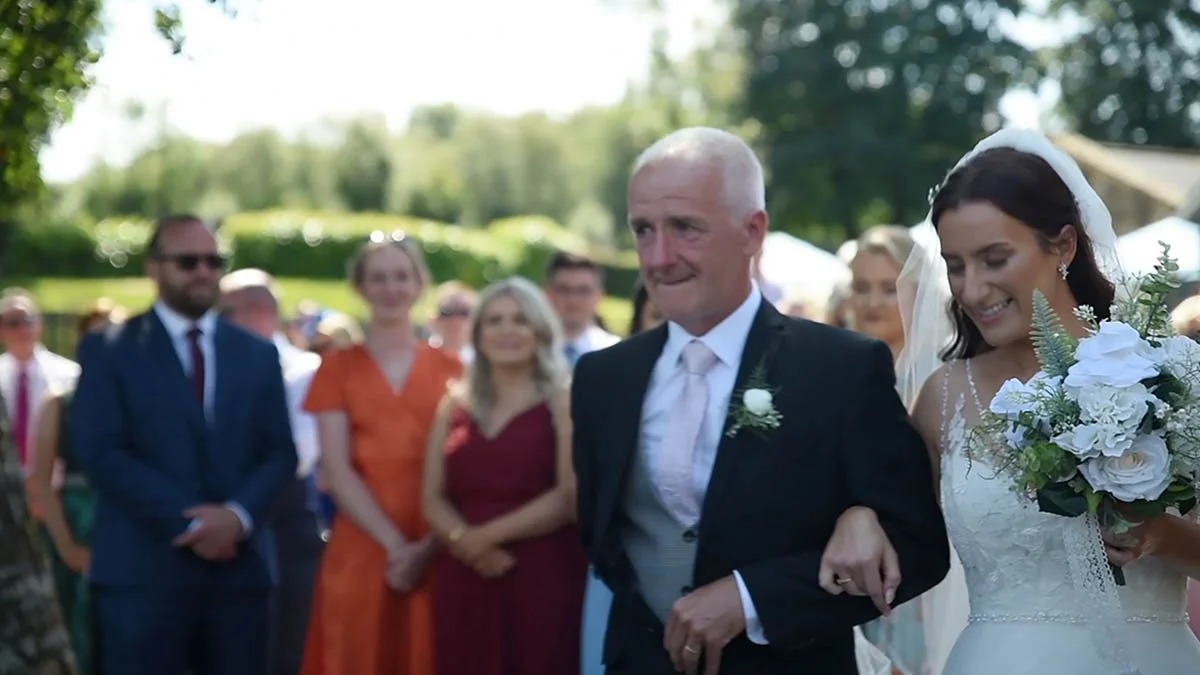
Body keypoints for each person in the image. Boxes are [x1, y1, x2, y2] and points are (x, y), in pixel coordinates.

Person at [571, 127, 950, 674]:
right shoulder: (603, 378)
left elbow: (918, 546)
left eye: (685, 228)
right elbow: (605, 542)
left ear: (752, 231)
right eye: (643, 230)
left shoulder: (839, 368)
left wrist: (753, 599)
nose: (658, 257)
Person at [822, 128, 1200, 674]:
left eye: (995, 259)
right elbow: (900, 530)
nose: (972, 289)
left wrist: (1162, 534)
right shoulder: (944, 396)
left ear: (1063, 246)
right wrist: (857, 513)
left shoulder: (1171, 373)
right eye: (956, 266)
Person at [72, 214, 298, 675]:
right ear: (153, 268)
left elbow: (279, 453)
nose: (203, 272)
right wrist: (193, 523)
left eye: (214, 261)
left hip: (238, 582)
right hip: (142, 578)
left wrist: (236, 518)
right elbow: (100, 452)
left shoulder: (257, 353)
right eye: (188, 261)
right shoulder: (108, 349)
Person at [300, 231, 461, 675]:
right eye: (378, 278)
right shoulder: (336, 368)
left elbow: (463, 467)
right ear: (360, 286)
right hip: (363, 544)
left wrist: (425, 549)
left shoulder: (453, 369)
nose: (391, 288)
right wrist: (397, 548)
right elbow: (337, 470)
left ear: (419, 284)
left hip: (437, 541)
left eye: (401, 277)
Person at [422, 276, 586, 675]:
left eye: (520, 319)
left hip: (540, 574)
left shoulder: (564, 401)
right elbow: (431, 497)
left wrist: (483, 539)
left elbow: (569, 497)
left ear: (540, 330)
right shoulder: (453, 404)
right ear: (478, 333)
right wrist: (467, 543)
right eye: (494, 320)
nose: (506, 330)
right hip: (464, 575)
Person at [220, 268, 325, 675]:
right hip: (221, 530)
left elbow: (297, 455)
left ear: (257, 311)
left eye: (223, 312)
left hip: (284, 530)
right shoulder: (213, 364)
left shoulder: (304, 370)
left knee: (284, 648)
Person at [27, 300, 126, 674]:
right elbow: (41, 480)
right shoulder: (59, 402)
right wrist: (67, 546)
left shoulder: (142, 400)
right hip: (75, 522)